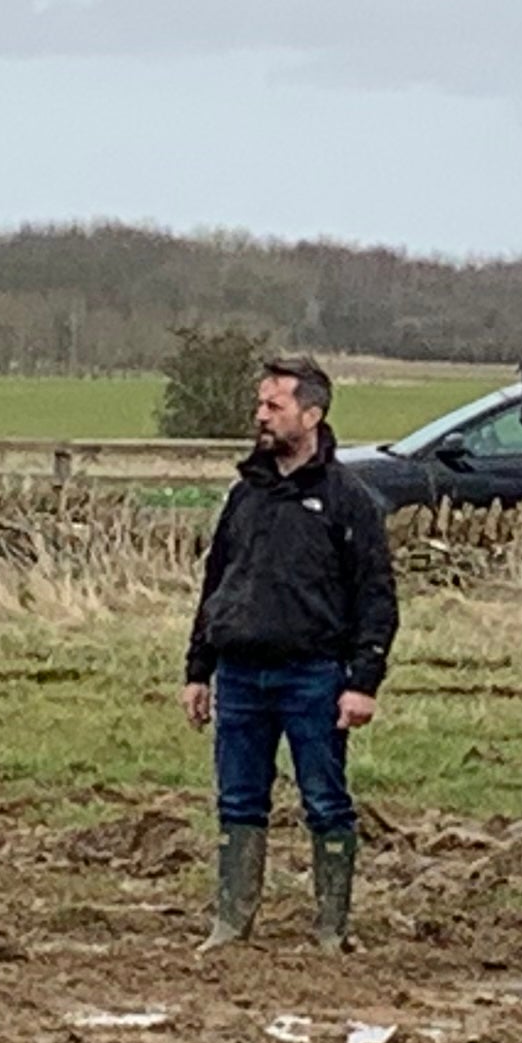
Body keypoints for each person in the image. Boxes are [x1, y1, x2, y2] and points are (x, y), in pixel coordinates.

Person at [183, 355, 397, 955]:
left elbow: (376, 597)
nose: (261, 416)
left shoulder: (348, 500)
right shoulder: (244, 495)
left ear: (312, 413)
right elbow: (215, 584)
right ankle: (231, 926)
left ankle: (331, 930)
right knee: (237, 800)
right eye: (260, 405)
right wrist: (198, 671)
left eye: (274, 406)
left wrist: (364, 681)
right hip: (241, 676)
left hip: (315, 677)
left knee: (325, 801)